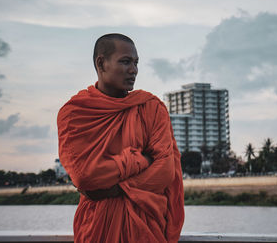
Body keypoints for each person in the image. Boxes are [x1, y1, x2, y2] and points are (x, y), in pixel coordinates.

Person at [57, 33, 184, 242]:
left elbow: (165, 170)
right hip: (96, 229)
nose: (133, 70)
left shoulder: (150, 107)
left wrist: (115, 188)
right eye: (125, 62)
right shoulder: (75, 113)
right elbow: (85, 177)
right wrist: (141, 160)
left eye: (136, 63)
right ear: (101, 63)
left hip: (146, 229)